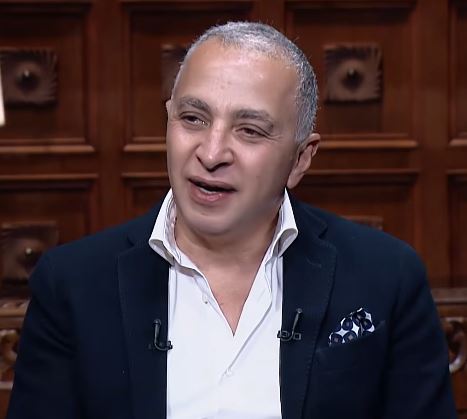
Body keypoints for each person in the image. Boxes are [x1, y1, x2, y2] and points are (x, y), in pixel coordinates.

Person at [7, 22, 456, 419]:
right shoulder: (72, 285)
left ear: (301, 159)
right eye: (192, 118)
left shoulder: (386, 278)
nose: (211, 152)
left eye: (250, 131)